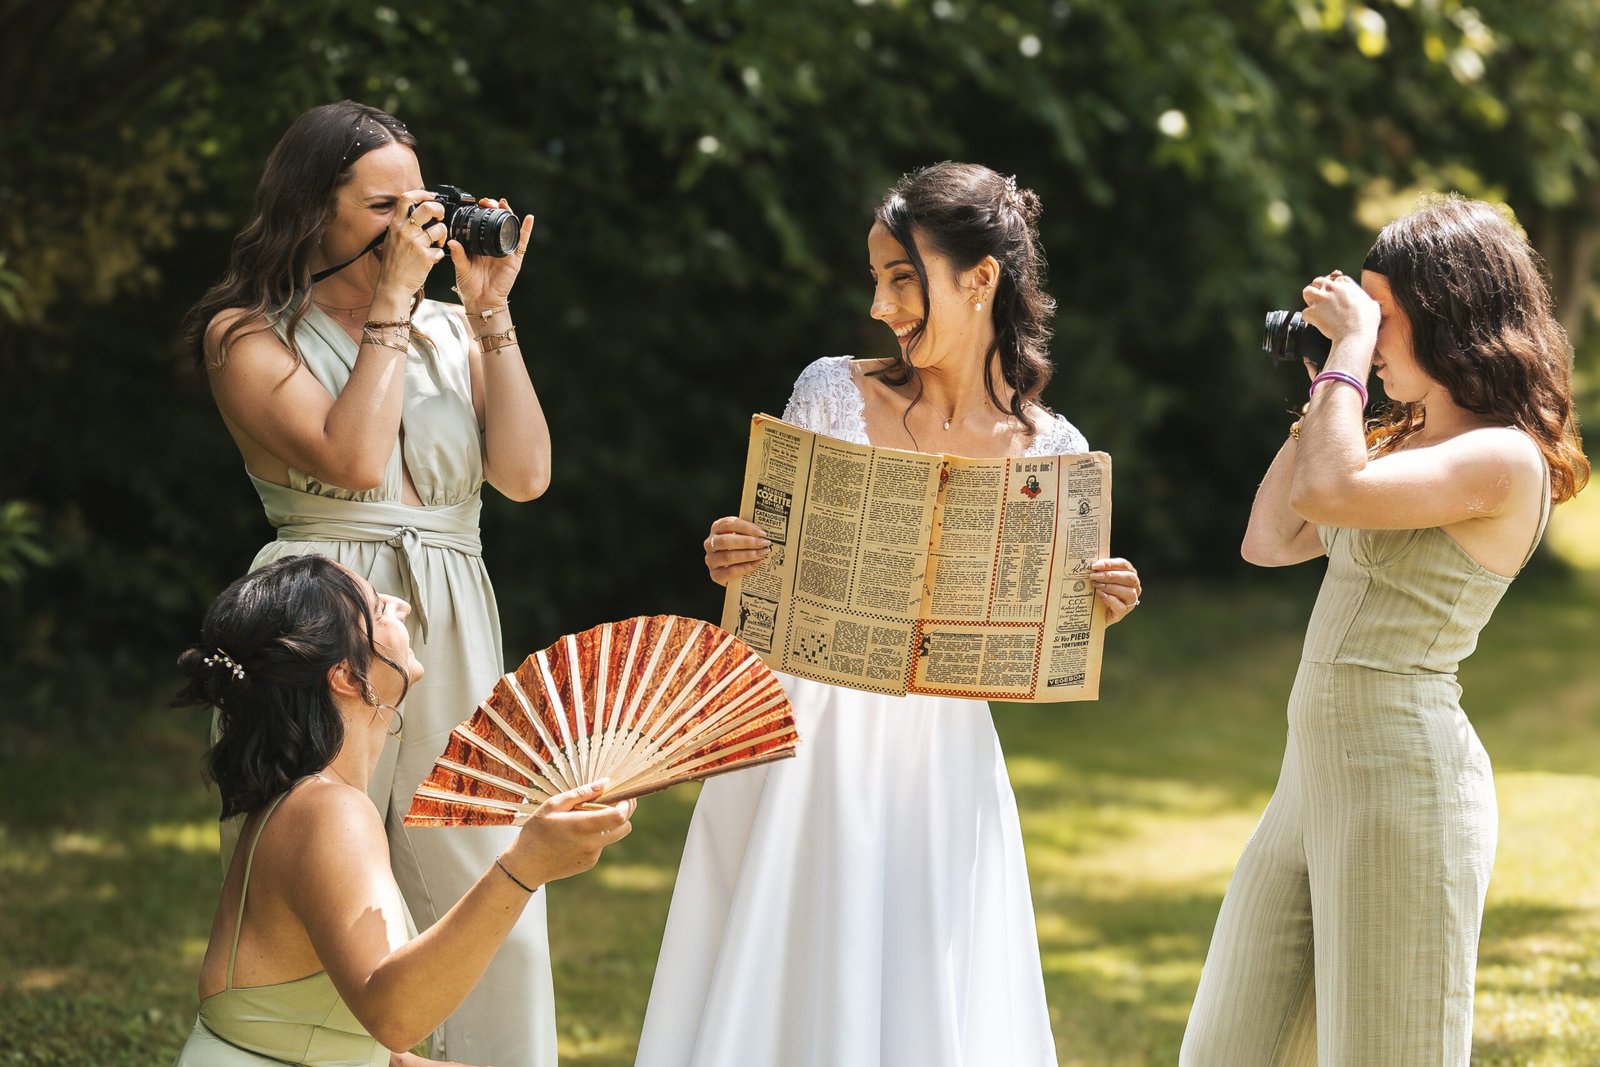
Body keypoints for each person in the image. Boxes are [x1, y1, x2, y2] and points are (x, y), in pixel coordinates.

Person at [634, 162, 1144, 1067]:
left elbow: (1046, 632)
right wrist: (737, 555)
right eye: (877, 279)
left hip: (941, 751)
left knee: (921, 971)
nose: (880, 306)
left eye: (901, 278)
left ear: (980, 278)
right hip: (803, 732)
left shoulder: (1053, 450)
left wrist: (1098, 600)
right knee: (787, 969)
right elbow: (771, 569)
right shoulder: (832, 392)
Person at [182, 101, 555, 1065]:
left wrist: (491, 314)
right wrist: (392, 302)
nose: (408, 226)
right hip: (320, 612)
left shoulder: (448, 330)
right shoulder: (246, 335)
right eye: (380, 204)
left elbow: (523, 476)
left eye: (415, 203)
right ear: (315, 213)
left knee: (478, 849)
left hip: (452, 611)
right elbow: (350, 459)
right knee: (322, 849)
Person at [1180, 196, 1588, 1066]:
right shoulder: (1393, 442)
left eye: (1385, 314)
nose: (1365, 330)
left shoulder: (1503, 457)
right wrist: (1333, 376)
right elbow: (1271, 537)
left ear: (1449, 318)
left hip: (1405, 789)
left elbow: (1328, 495)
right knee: (1225, 1053)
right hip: (1310, 787)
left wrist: (1350, 360)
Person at [171, 555, 633, 1066]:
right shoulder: (331, 812)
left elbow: (301, 1031)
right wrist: (525, 868)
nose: (401, 605)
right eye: (375, 608)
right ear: (347, 676)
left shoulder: (303, 805)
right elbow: (395, 1016)